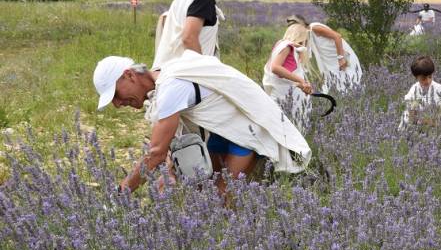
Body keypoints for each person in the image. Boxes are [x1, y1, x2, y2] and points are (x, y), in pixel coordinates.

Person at [93, 51, 311, 195]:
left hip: (246, 136)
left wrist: (120, 192)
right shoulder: (165, 76)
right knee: (191, 191)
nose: (118, 104)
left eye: (116, 95)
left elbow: (156, 154)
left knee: (219, 200)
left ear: (129, 75)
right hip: (220, 135)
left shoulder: (171, 87)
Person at [290, 15, 362, 93]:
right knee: (337, 86)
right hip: (330, 62)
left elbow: (337, 36)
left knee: (350, 83)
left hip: (341, 57)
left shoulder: (314, 28)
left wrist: (341, 58)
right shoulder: (306, 34)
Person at [262, 20, 315, 125]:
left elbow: (287, 74)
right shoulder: (286, 47)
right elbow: (275, 68)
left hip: (286, 93)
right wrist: (300, 80)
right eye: (303, 40)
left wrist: (300, 84)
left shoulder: (285, 46)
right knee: (283, 123)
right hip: (282, 94)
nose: (304, 43)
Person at [399, 56, 441, 130]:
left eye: (430, 77)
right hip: (416, 126)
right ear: (416, 77)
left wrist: (430, 121)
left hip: (436, 125)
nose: (428, 81)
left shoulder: (439, 89)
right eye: (423, 78)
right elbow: (412, 117)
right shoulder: (414, 90)